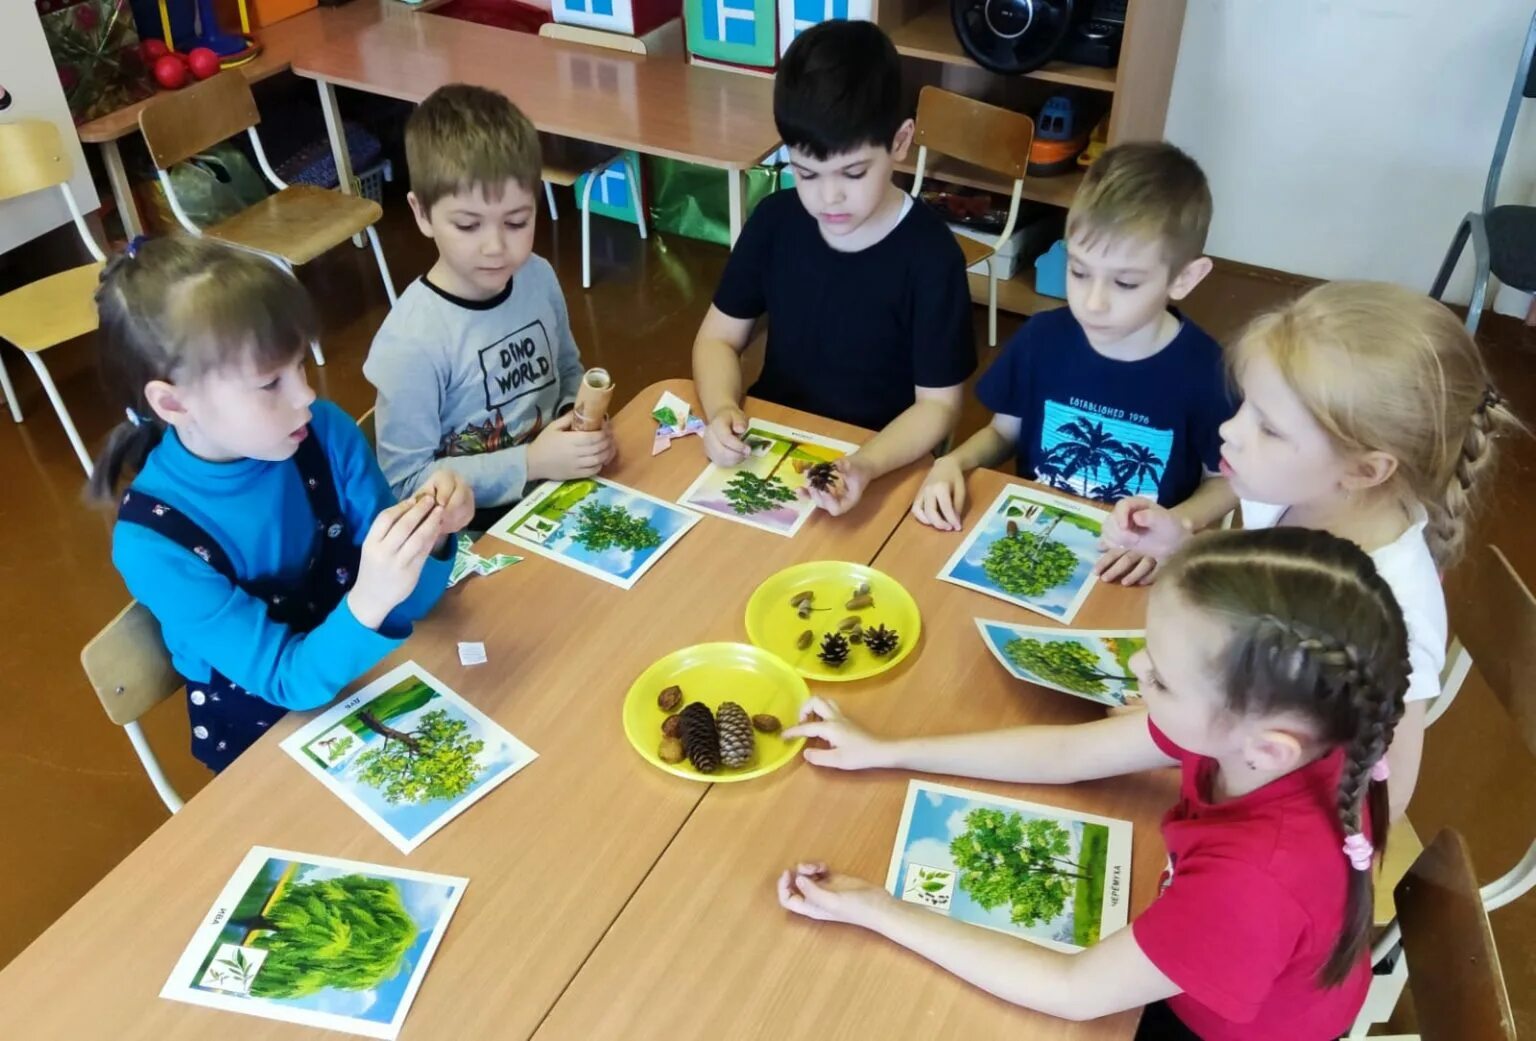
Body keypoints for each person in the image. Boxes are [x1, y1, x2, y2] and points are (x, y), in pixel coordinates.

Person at [777, 527, 1409, 1041]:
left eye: (1161, 677)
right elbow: (1068, 751)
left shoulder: (1253, 882)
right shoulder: (1287, 730)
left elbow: (1071, 991)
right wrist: (887, 751)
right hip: (1226, 967)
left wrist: (876, 908)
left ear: (1267, 746)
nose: (1136, 671)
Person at [1100, 280, 1517, 814]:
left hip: (1260, 811)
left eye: (1269, 429)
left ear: (1364, 470)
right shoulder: (1292, 495)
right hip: (1216, 743)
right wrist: (1182, 546)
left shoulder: (1398, 615)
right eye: (1246, 406)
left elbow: (1382, 802)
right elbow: (1262, 605)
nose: (1229, 430)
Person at [92, 236, 473, 772]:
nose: (305, 396)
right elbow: (284, 680)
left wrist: (430, 540)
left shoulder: (325, 434)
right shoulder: (152, 544)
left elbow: (409, 607)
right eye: (270, 382)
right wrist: (371, 597)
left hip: (374, 679)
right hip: (270, 742)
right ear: (174, 402)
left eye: (299, 365)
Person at [912, 142, 1235, 586]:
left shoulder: (1207, 370)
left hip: (1135, 568)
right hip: (1035, 543)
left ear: (1184, 278)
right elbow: (1004, 432)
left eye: (1125, 282)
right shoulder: (1042, 338)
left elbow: (1227, 480)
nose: (1093, 302)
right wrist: (954, 462)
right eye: (1079, 271)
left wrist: (1177, 526)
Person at [692, 20, 975, 518]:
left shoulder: (932, 257)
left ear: (901, 142)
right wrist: (720, 409)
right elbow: (717, 338)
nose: (829, 197)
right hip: (774, 444)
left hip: (883, 462)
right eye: (807, 173)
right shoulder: (777, 222)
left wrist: (863, 466)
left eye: (853, 172)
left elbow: (938, 406)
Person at [365, 84, 613, 531]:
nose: (496, 246)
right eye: (467, 224)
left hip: (552, 495)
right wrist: (531, 462)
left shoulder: (537, 276)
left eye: (517, 221)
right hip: (465, 533)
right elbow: (405, 484)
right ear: (422, 214)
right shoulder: (412, 342)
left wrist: (578, 427)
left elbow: (566, 371)